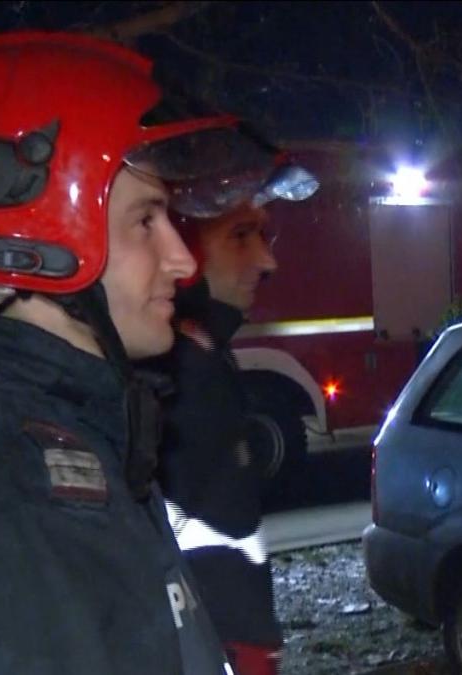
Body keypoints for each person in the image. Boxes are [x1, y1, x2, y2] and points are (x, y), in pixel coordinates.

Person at [0, 31, 288, 674]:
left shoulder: (85, 438)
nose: (182, 260)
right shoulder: (27, 497)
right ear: (37, 245)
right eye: (147, 220)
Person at [149, 175, 315, 675]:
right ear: (180, 246)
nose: (267, 261)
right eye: (241, 236)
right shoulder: (178, 371)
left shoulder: (202, 355)